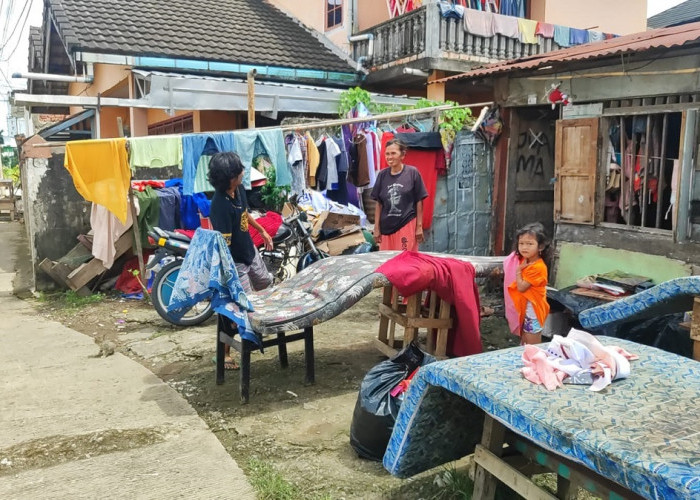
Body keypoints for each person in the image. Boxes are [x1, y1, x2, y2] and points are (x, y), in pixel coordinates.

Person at [208, 152, 273, 370]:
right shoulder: (219, 206)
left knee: (265, 283)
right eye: (239, 170)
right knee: (244, 305)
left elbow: (244, 214)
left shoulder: (239, 190)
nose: (243, 172)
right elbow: (223, 247)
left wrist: (262, 230)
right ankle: (231, 351)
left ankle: (261, 329)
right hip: (234, 260)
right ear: (230, 177)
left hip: (249, 250)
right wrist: (230, 280)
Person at [371, 139, 428, 251]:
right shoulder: (382, 175)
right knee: (387, 262)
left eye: (393, 153)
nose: (390, 157)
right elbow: (379, 204)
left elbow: (419, 201)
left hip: (405, 225)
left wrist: (419, 226)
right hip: (386, 228)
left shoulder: (412, 173)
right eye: (387, 154)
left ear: (402, 155)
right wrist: (376, 228)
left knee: (404, 261)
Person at [507, 223, 551, 345]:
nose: (524, 248)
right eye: (521, 244)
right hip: (525, 307)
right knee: (525, 340)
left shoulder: (537, 267)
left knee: (533, 344)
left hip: (533, 309)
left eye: (530, 244)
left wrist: (518, 271)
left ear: (540, 247)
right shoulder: (526, 261)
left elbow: (521, 287)